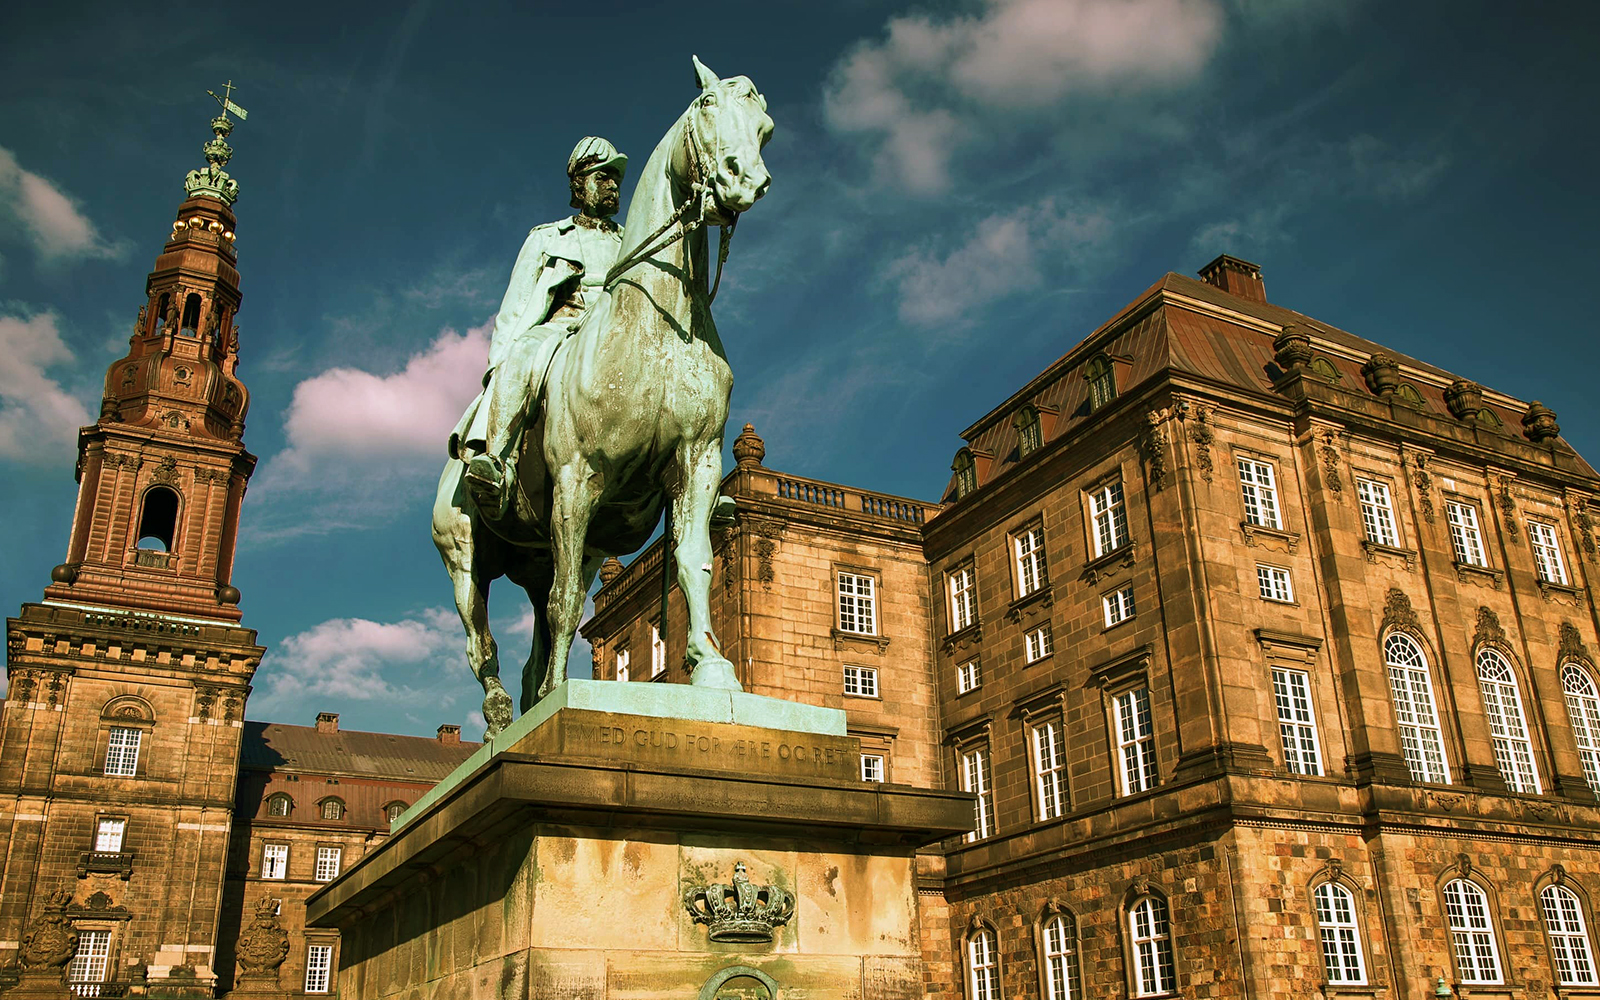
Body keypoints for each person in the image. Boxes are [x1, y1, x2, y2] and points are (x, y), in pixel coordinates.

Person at [449, 136, 627, 515]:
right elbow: (514, 308)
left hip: (618, 331)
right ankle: (497, 465)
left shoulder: (632, 239)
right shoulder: (547, 238)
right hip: (562, 329)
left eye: (615, 177)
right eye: (602, 176)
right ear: (579, 184)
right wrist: (500, 364)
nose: (612, 184)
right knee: (523, 353)